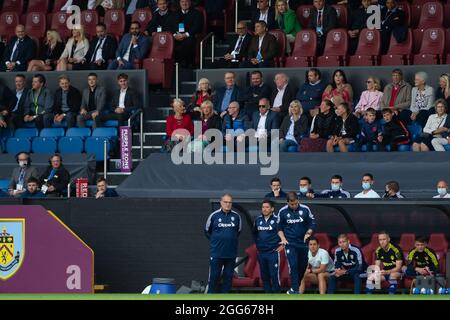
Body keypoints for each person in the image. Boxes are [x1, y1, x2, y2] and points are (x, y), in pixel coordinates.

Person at [277, 192, 317, 294]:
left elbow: (312, 223)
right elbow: (279, 228)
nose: (294, 206)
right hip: (290, 243)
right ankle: (295, 289)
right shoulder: (282, 211)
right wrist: (283, 238)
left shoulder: (305, 209)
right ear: (287, 202)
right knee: (293, 265)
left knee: (302, 266)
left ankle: (294, 287)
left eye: (295, 203)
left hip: (303, 243)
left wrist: (308, 233)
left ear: (298, 200)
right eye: (291, 204)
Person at [205, 194, 242, 293]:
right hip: (217, 253)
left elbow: (238, 231)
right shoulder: (214, 216)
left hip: (230, 254)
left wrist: (229, 240)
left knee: (228, 279)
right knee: (214, 277)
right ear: (221, 202)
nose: (228, 204)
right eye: (225, 202)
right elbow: (207, 231)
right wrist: (216, 241)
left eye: (230, 202)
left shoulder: (236, 216)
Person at [253, 199, 282, 293]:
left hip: (273, 252)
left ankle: (277, 295)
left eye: (267, 207)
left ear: (272, 209)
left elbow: (285, 234)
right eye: (263, 207)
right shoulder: (257, 220)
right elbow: (254, 234)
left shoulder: (277, 220)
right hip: (261, 253)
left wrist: (283, 246)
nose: (264, 209)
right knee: (264, 276)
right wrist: (258, 245)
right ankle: (268, 295)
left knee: (274, 276)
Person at [173, 0, 203, 67]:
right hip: (176, 37)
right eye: (182, 1)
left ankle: (187, 64)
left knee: (189, 41)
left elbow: (197, 27)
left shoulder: (197, 13)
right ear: (180, 3)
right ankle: (174, 64)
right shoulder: (175, 13)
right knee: (169, 41)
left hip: (190, 36)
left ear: (190, 2)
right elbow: (170, 26)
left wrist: (185, 35)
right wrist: (174, 35)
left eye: (186, 1)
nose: (184, 3)